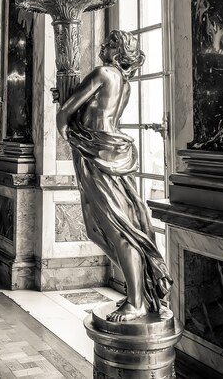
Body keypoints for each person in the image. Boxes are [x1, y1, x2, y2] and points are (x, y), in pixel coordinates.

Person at [57, 30, 172, 322]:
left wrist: (66, 130)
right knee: (96, 229)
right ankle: (140, 285)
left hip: (97, 153)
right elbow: (97, 109)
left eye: (109, 44)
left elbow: (68, 111)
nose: (102, 46)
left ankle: (136, 302)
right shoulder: (125, 84)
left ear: (118, 53)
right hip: (106, 150)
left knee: (118, 228)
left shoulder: (103, 73)